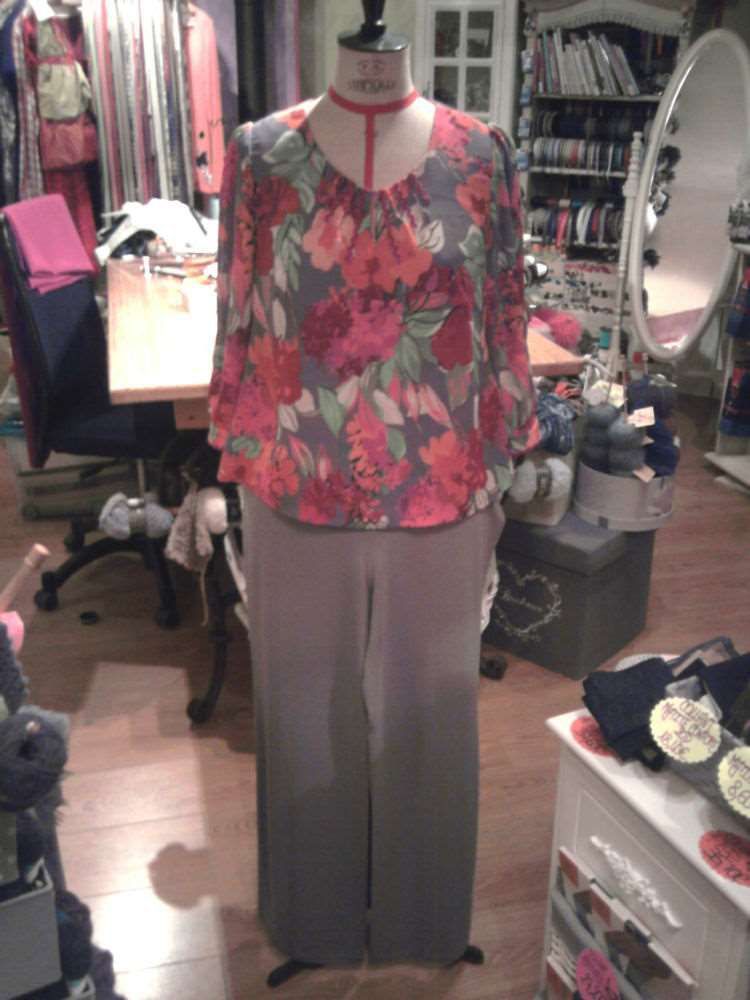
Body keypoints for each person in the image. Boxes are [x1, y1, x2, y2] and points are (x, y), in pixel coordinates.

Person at [208, 7, 539, 986]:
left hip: (443, 488)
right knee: (302, 710)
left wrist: (508, 446)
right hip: (294, 483)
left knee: (432, 715)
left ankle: (424, 921)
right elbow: (237, 310)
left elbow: (505, 314)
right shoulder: (260, 155)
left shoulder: (483, 155)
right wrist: (234, 438)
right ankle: (310, 921)